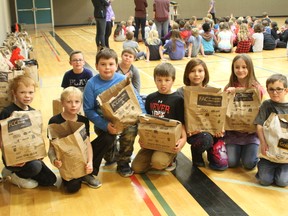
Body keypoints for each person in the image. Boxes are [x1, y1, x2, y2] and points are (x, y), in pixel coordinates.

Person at [83, 48, 146, 177]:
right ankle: (112, 152)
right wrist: (104, 125)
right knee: (110, 157)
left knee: (130, 131)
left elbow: (137, 98)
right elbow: (88, 110)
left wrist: (143, 115)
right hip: (105, 123)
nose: (107, 68)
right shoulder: (91, 84)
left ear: (116, 65)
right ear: (96, 66)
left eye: (111, 64)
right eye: (103, 64)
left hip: (125, 119)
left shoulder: (123, 79)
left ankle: (123, 162)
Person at [0, 75, 57, 188]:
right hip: (14, 158)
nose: (27, 96)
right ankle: (16, 176)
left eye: (30, 92)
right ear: (14, 93)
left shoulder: (33, 112)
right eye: (22, 92)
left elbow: (36, 137)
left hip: (30, 155)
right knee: (35, 167)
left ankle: (9, 171)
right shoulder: (7, 112)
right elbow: (2, 139)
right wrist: (11, 159)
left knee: (50, 180)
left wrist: (39, 153)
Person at [132, 63, 187, 173]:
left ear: (173, 80)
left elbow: (181, 122)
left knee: (158, 163)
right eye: (159, 80)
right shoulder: (151, 98)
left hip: (168, 141)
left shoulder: (178, 99)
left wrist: (183, 139)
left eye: (167, 80)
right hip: (152, 140)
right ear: (155, 80)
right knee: (136, 167)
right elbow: (145, 120)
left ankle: (171, 158)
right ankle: (154, 156)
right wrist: (142, 138)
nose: (163, 84)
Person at [177, 59, 227, 171]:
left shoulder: (212, 91)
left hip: (211, 130)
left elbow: (219, 114)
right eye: (193, 71)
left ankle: (212, 151)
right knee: (205, 139)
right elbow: (178, 116)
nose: (197, 74)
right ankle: (196, 153)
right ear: (187, 74)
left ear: (205, 73)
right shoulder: (180, 92)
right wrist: (189, 131)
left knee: (221, 165)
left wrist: (220, 128)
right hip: (193, 133)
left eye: (200, 71)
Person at [48, 87, 101, 193]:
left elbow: (87, 144)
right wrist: (54, 160)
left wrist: (90, 162)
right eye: (69, 102)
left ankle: (87, 174)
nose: (73, 105)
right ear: (62, 103)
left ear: (81, 103)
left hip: (82, 159)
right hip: (68, 163)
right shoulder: (54, 121)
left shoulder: (83, 120)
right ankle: (77, 177)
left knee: (107, 139)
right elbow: (51, 148)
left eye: (77, 102)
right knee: (72, 189)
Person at [224, 54, 264, 170]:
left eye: (244, 67)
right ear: (233, 69)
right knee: (231, 163)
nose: (240, 70)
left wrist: (237, 90)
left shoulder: (257, 89)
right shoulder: (228, 87)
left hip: (251, 135)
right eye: (237, 67)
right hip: (233, 134)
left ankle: (252, 152)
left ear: (250, 68)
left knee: (249, 164)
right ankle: (238, 151)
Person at [254, 74, 288, 187]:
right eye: (271, 89)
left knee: (282, 182)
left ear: (286, 90)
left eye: (279, 89)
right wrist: (263, 143)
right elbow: (259, 125)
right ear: (267, 90)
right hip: (268, 154)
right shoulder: (266, 105)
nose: (275, 92)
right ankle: (263, 167)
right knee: (265, 181)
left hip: (285, 156)